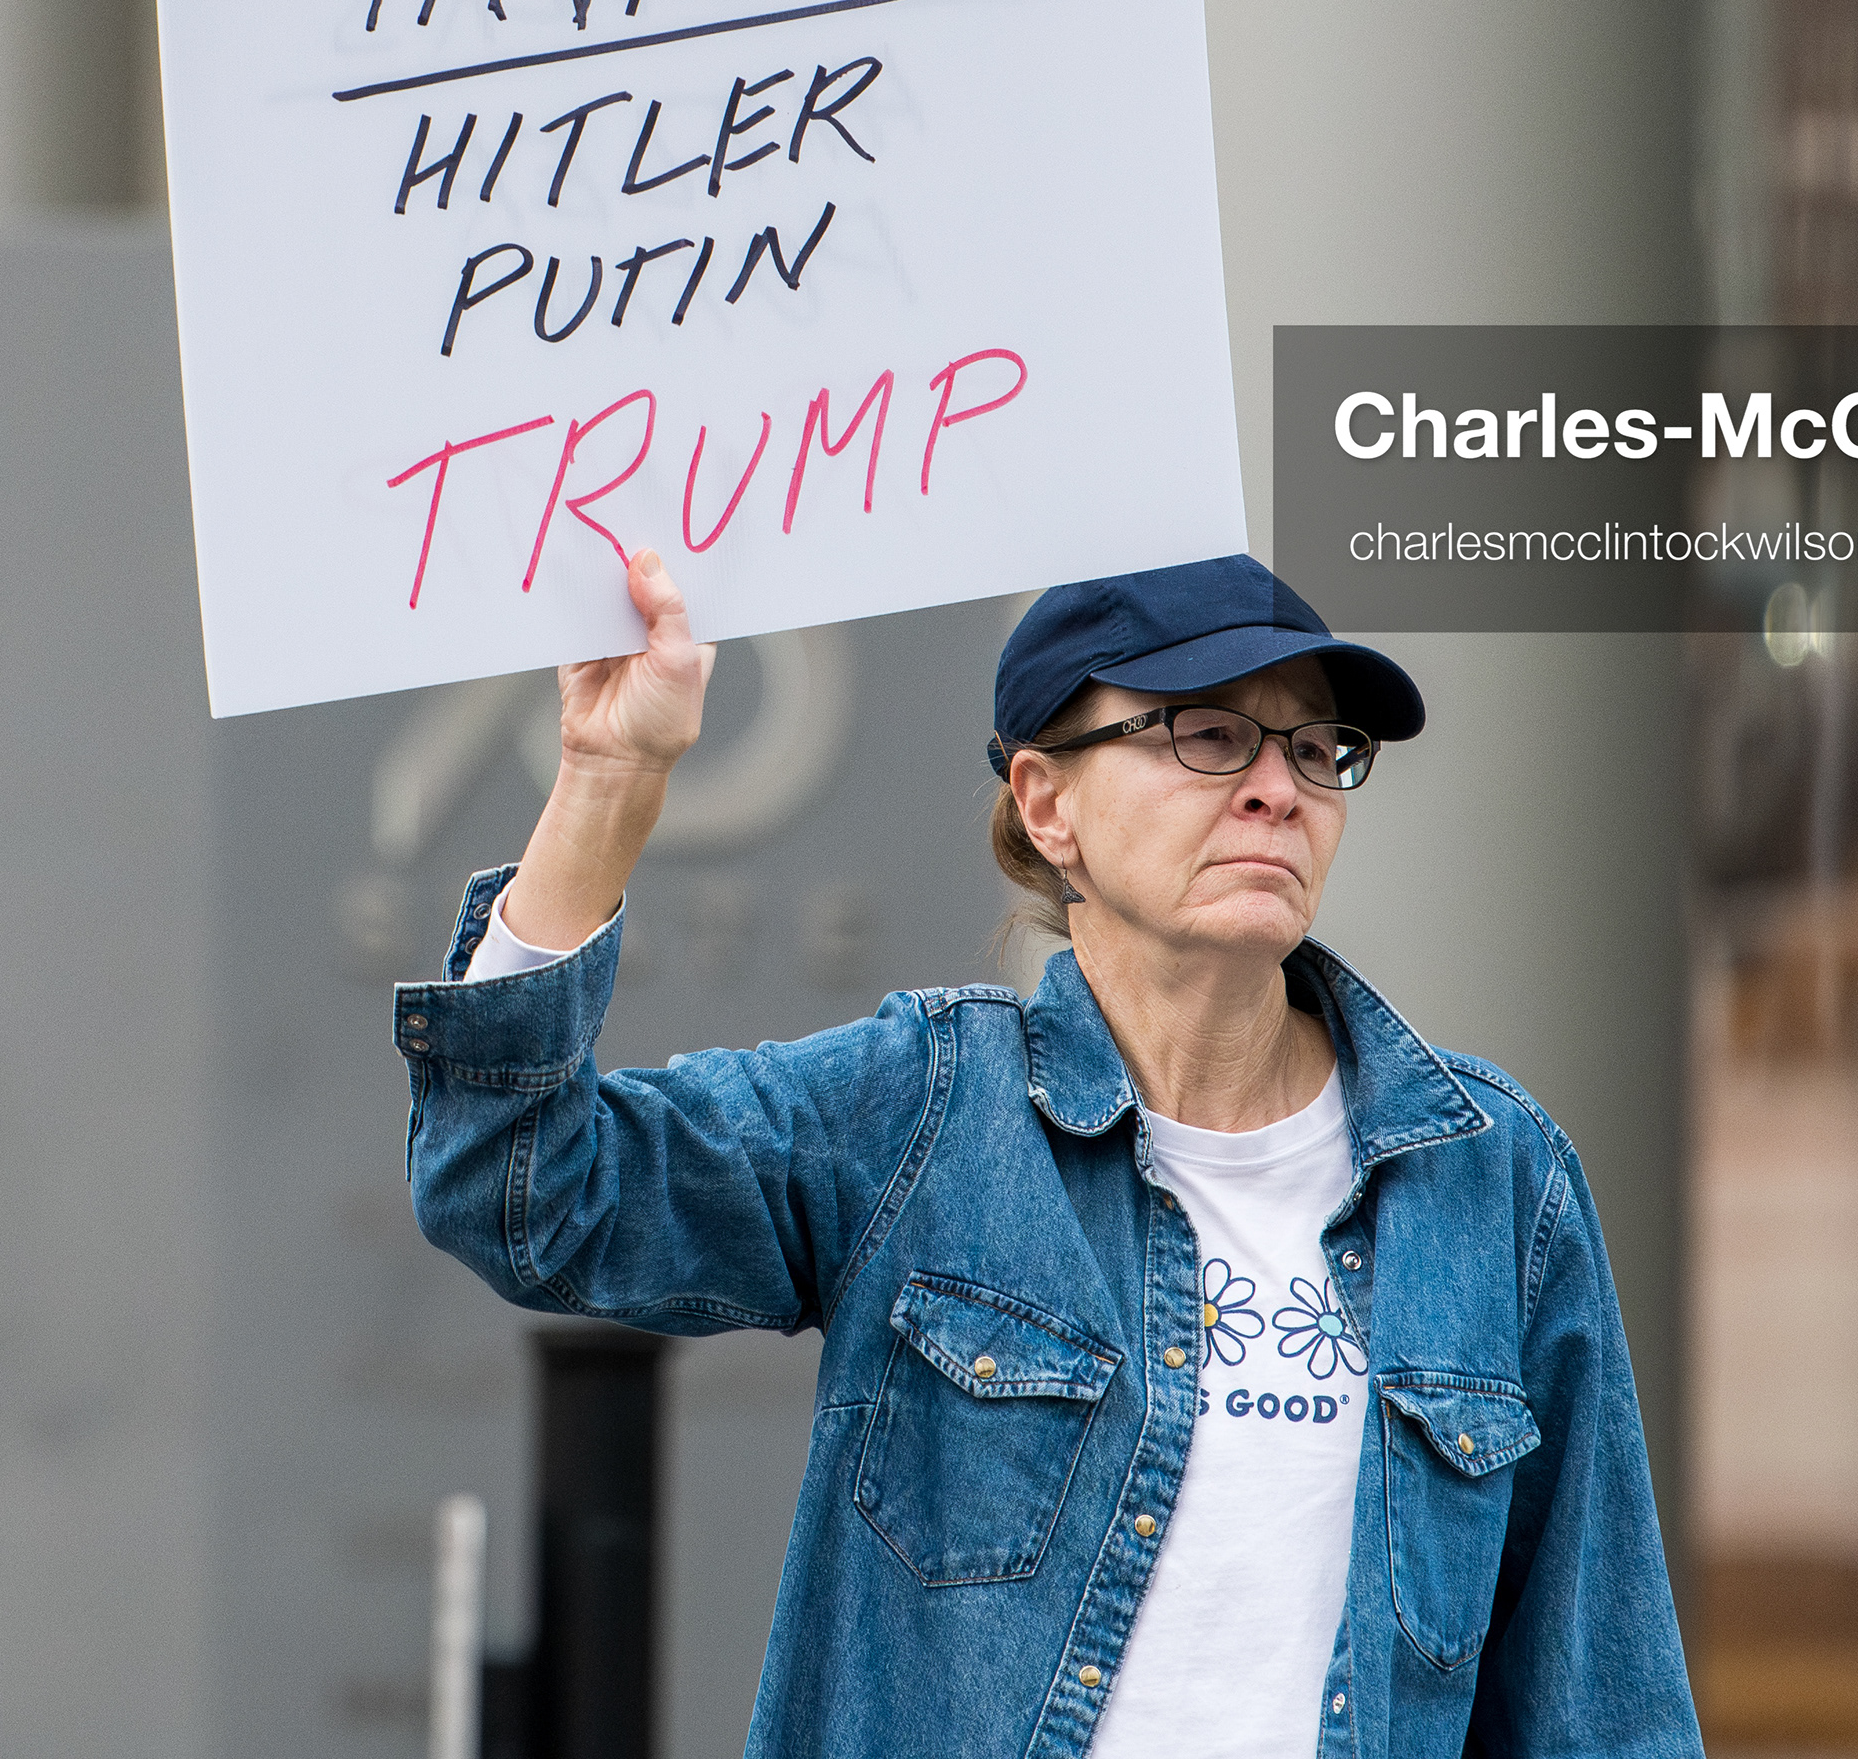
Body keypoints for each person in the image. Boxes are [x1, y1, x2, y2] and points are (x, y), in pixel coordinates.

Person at [398, 550, 1698, 1759]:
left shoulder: (1492, 1175)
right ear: (1047, 801)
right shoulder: (925, 1112)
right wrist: (610, 780)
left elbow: (1600, 1698)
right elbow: (524, 1192)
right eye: (1207, 732)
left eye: (1317, 746)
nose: (1276, 786)